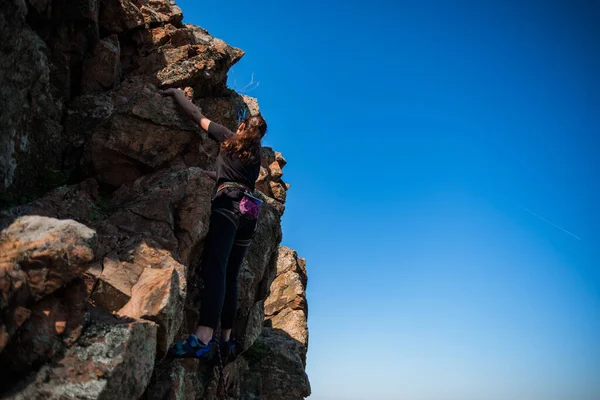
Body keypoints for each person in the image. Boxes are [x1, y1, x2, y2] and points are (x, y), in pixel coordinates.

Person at [160, 88, 267, 360]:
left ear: (242, 126)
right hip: (249, 212)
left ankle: (203, 336)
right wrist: (215, 175)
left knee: (216, 269)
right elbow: (234, 177)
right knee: (231, 275)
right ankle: (228, 340)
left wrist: (175, 93)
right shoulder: (257, 158)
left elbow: (195, 114)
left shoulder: (228, 138)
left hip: (228, 207)